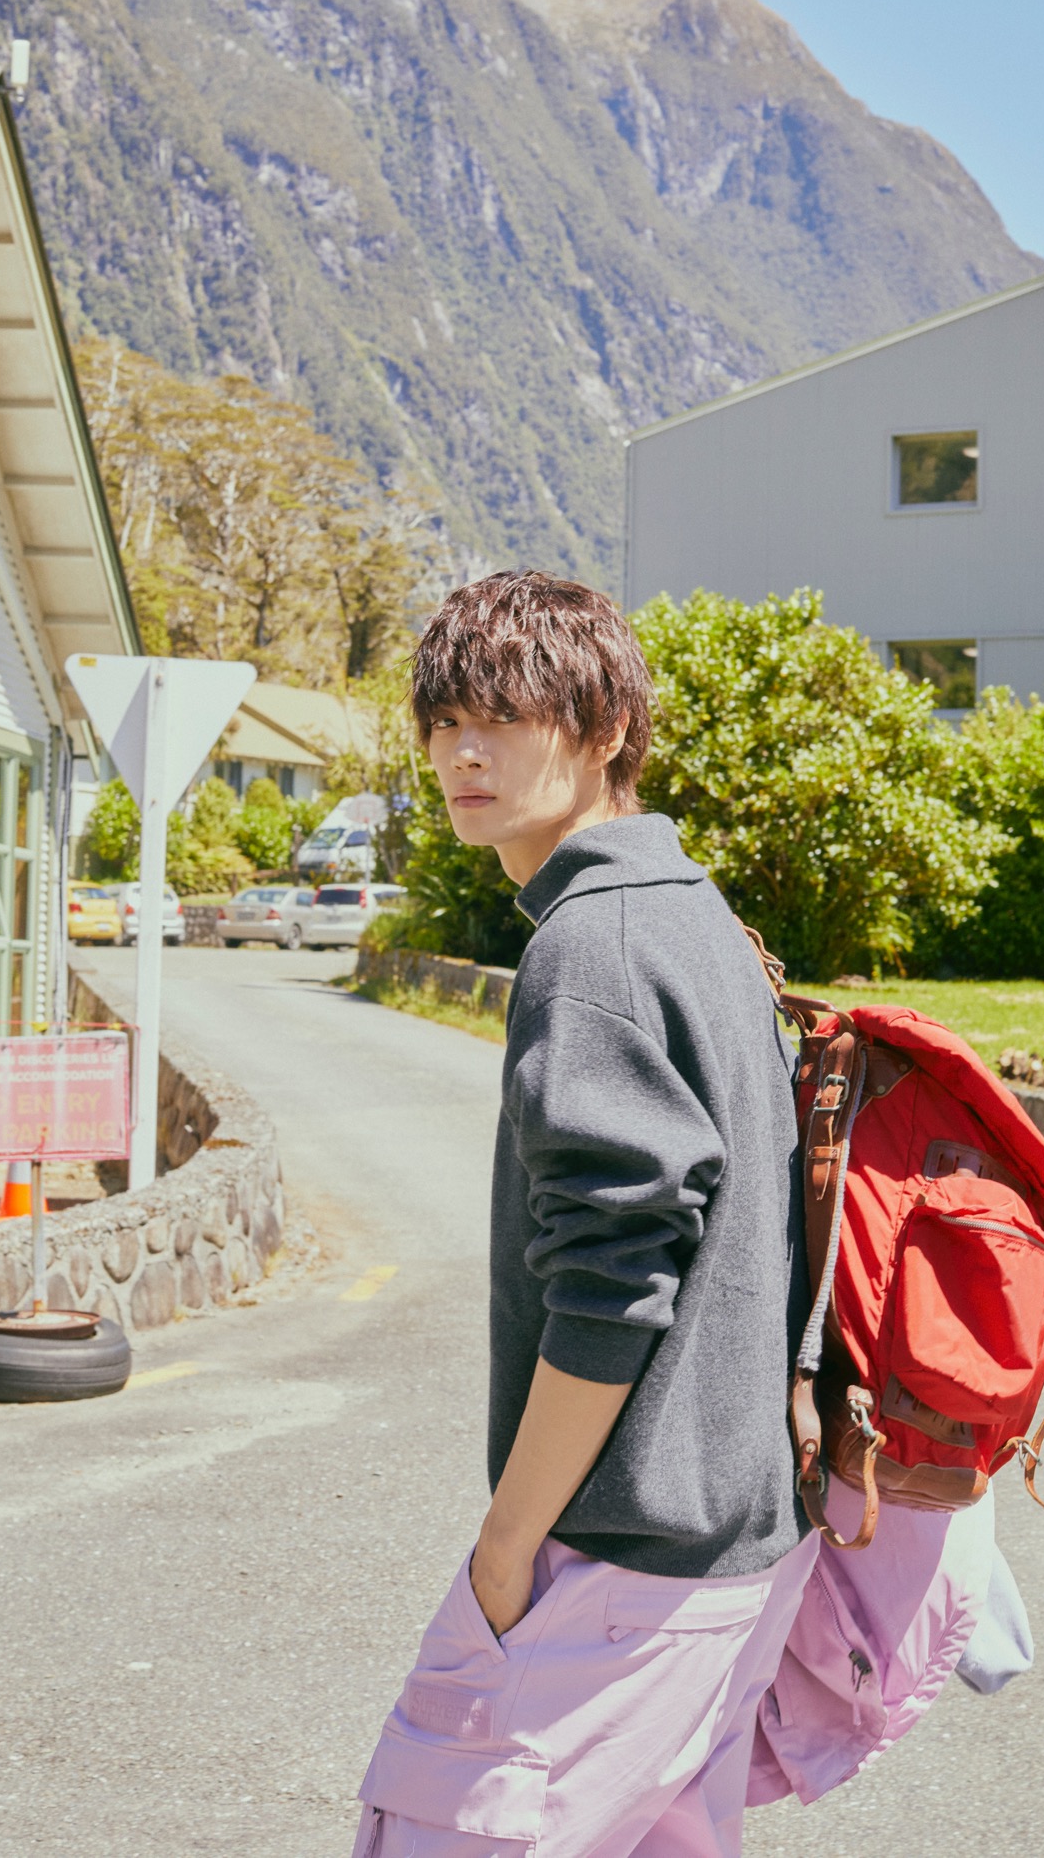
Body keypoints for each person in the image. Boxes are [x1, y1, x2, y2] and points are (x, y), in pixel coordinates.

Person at [351, 568, 821, 1858]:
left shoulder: (592, 946)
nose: (464, 754)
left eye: (503, 718)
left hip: (619, 1566)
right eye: (445, 722)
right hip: (738, 1548)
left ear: (607, 729)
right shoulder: (698, 915)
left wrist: (506, 1548)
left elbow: (616, 1280)